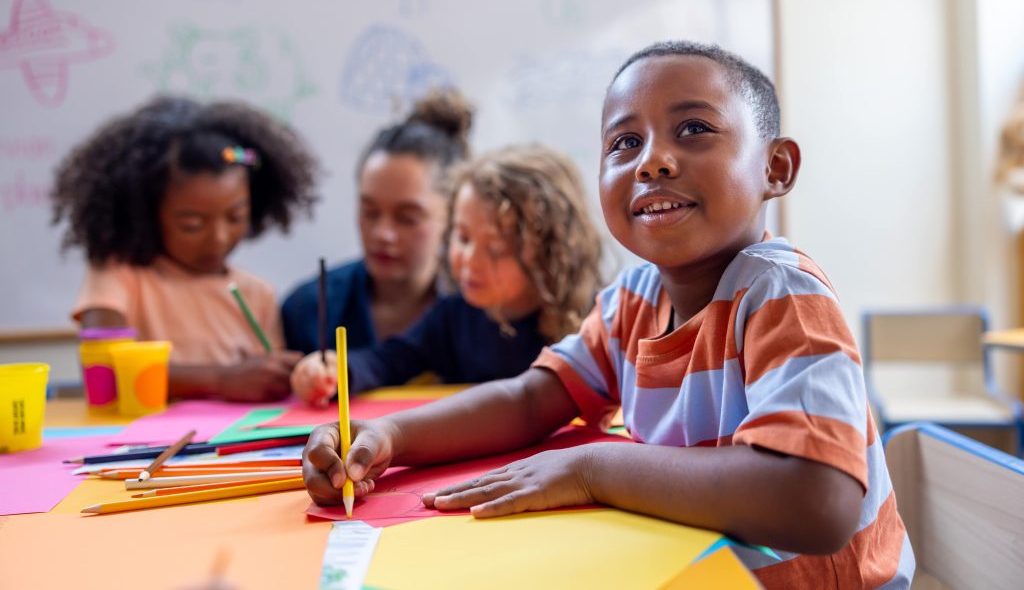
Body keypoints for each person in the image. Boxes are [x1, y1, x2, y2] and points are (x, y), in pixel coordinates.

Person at [301, 41, 914, 588]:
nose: (652, 161)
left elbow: (817, 502)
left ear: (774, 168)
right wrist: (389, 438)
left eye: (694, 128)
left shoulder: (782, 296)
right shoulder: (636, 298)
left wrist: (595, 466)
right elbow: (530, 400)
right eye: (625, 142)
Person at [290, 144, 603, 406]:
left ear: (549, 253)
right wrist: (337, 370)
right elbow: (388, 360)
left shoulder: (594, 320)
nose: (468, 260)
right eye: (463, 238)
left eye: (494, 249)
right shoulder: (452, 316)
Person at [54, 96, 317, 402]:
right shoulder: (119, 274)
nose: (218, 238)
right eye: (191, 224)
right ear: (147, 213)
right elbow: (103, 375)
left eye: (236, 217)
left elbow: (270, 384)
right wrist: (220, 379)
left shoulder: (258, 294)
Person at [280, 89, 472, 357]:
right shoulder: (309, 309)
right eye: (369, 212)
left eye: (407, 218)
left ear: (451, 216)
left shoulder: (483, 311)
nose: (383, 234)